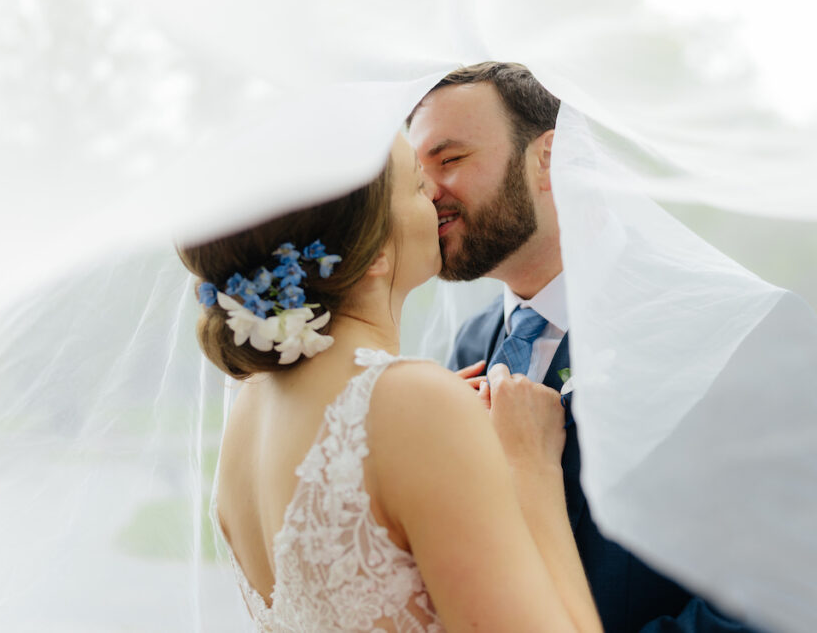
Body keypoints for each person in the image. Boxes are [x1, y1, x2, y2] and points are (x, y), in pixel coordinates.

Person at [177, 134, 605, 631]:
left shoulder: (250, 403)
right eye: (420, 185)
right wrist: (531, 468)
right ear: (375, 249)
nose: (438, 199)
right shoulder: (412, 402)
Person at [406, 62, 759, 632]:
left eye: (449, 160)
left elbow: (797, 601)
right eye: (418, 176)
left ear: (550, 158)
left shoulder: (730, 330)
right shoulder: (468, 348)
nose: (429, 196)